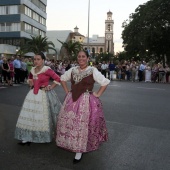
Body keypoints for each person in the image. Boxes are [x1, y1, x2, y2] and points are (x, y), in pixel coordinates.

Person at [56, 50, 110, 164]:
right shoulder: (73, 70)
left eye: (83, 56)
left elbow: (104, 82)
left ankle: (79, 150)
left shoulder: (92, 70)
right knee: (70, 123)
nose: (81, 58)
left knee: (81, 124)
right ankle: (71, 143)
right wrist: (67, 92)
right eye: (79, 56)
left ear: (88, 58)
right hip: (71, 99)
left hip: (85, 100)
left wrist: (97, 94)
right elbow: (62, 79)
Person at [15, 52, 61, 145]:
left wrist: (50, 87)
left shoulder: (46, 69)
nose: (36, 61)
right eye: (35, 59)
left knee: (41, 115)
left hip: (43, 94)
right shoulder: (32, 69)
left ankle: (42, 136)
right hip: (32, 94)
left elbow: (57, 78)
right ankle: (27, 136)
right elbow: (30, 78)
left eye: (38, 59)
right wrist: (30, 82)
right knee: (30, 115)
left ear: (43, 60)